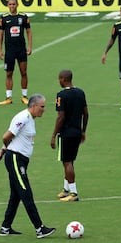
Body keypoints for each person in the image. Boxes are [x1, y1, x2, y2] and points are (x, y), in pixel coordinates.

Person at [0, 94, 56, 239]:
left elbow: (13, 137)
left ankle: (5, 227)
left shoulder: (30, 119)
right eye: (42, 106)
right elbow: (6, 136)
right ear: (33, 106)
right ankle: (40, 228)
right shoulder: (23, 118)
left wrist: (3, 150)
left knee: (16, 195)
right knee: (26, 192)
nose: (44, 110)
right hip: (15, 159)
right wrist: (4, 149)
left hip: (19, 159)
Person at [50, 70, 89, 202]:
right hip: (77, 132)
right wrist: (83, 131)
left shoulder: (61, 95)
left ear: (63, 79)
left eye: (59, 79)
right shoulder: (80, 92)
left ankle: (74, 193)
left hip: (66, 133)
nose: (59, 81)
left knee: (67, 162)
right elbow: (86, 113)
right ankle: (66, 189)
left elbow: (61, 116)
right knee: (69, 161)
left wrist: (54, 134)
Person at [0, 0, 32, 105]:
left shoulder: (23, 17)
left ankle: (24, 96)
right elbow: (0, 35)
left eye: (14, 4)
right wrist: (0, 50)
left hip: (21, 50)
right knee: (9, 74)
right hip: (9, 51)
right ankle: (8, 98)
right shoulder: (3, 18)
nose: (12, 6)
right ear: (7, 5)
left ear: (17, 5)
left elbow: (29, 32)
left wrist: (30, 46)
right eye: (10, 4)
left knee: (24, 72)